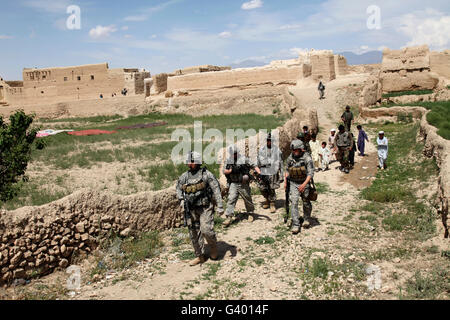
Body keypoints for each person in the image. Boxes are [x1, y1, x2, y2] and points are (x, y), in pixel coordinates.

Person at [176, 152, 224, 266]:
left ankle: (213, 248)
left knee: (206, 229)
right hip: (191, 209)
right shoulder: (184, 177)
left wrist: (220, 206)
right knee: (193, 232)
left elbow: (216, 189)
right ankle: (199, 256)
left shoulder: (206, 174)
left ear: (197, 162)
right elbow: (178, 188)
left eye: (192, 162)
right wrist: (182, 200)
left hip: (205, 207)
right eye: (189, 161)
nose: (189, 164)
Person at [223, 145, 257, 227]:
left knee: (247, 198)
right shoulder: (228, 161)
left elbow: (253, 165)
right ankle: (229, 217)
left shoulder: (243, 159)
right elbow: (224, 171)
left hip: (243, 183)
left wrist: (257, 172)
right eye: (232, 154)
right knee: (231, 199)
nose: (233, 155)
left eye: (234, 153)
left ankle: (250, 213)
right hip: (233, 183)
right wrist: (230, 171)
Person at [285, 140, 315, 234]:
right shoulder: (291, 157)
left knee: (306, 201)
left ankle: (306, 218)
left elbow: (310, 173)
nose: (294, 152)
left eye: (295, 150)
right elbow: (286, 170)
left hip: (304, 182)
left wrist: (304, 184)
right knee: (294, 202)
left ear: (300, 149)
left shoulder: (307, 158)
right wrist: (285, 182)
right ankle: (296, 224)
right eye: (293, 150)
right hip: (293, 183)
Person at [255, 133, 284, 213]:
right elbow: (258, 161)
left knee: (271, 187)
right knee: (262, 187)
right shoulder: (262, 149)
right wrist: (257, 171)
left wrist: (281, 174)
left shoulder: (277, 150)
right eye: (268, 140)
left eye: (270, 141)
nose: (269, 142)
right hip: (263, 171)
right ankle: (267, 199)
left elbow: (281, 163)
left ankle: (272, 203)